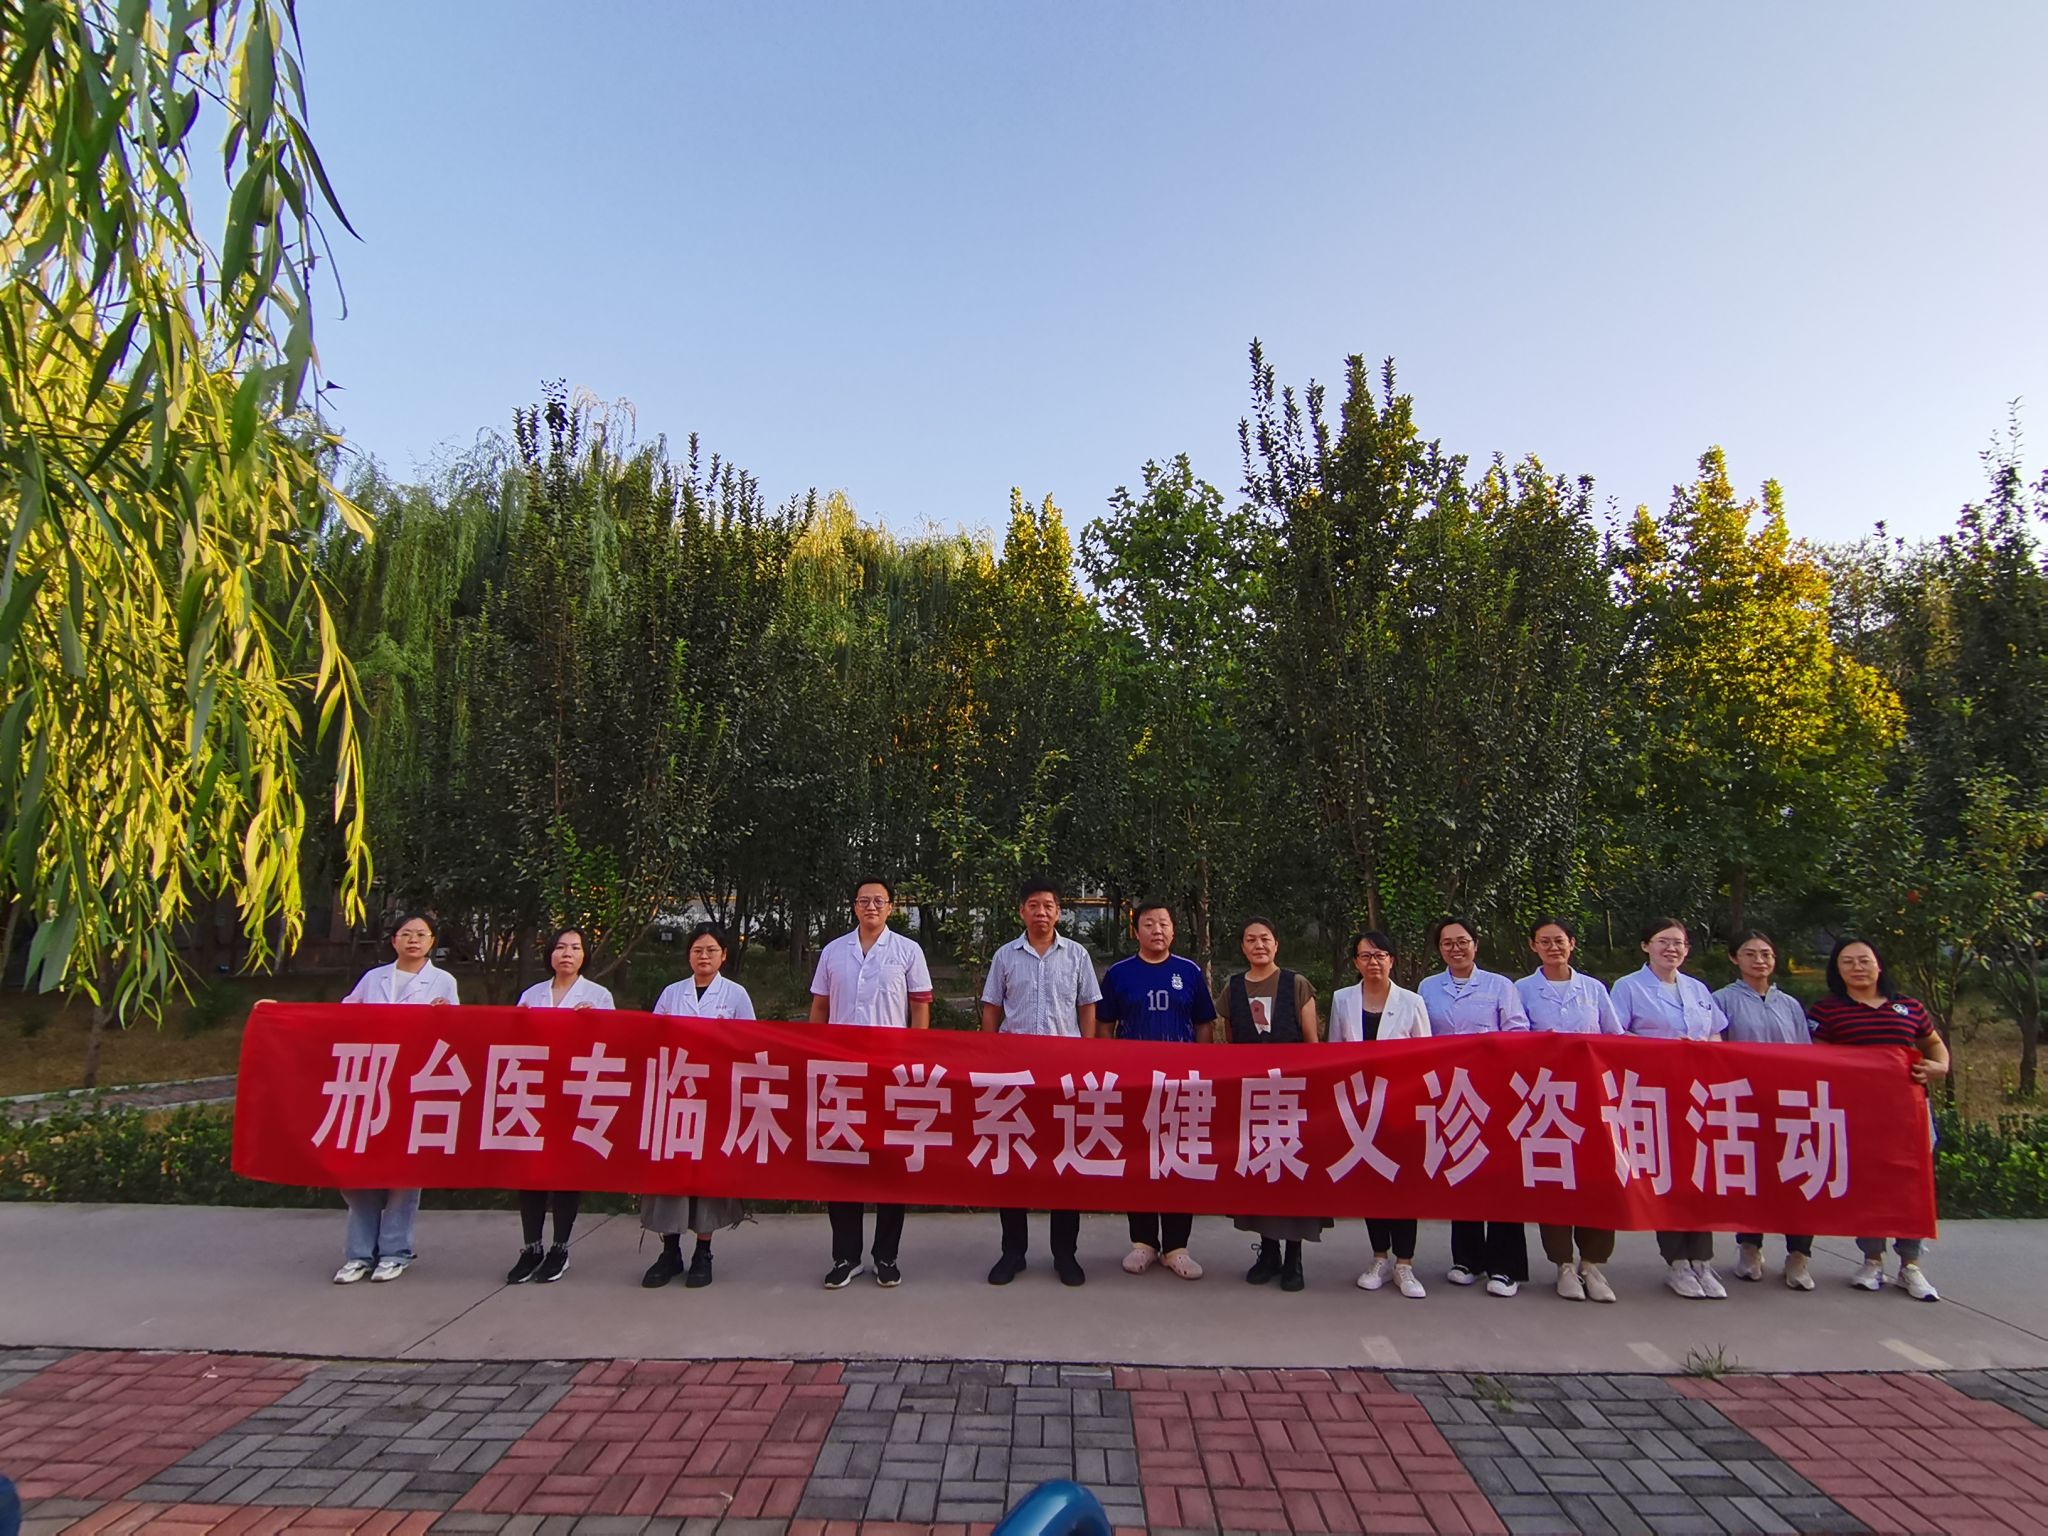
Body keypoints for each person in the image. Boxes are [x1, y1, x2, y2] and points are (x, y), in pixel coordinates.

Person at [1807, 936, 1949, 1302]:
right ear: (1837, 970)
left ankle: (1911, 1264)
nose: (1857, 967)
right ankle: (1871, 1260)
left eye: (1864, 960)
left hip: (1909, 1113)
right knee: (1868, 1183)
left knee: (1911, 1184)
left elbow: (1933, 1044)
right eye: (1848, 962)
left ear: (1878, 964)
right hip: (1858, 1113)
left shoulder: (1909, 1006)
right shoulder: (1826, 1010)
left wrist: (1939, 1066)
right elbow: (1818, 1060)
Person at [810, 877, 933, 1289]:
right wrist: (815, 1053)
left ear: (891, 907)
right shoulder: (833, 951)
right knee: (842, 1162)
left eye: (879, 900)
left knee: (889, 1163)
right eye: (864, 900)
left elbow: (920, 1007)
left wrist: (914, 1058)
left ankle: (886, 1255)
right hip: (841, 1072)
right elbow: (820, 1007)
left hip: (890, 1072)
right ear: (854, 906)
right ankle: (846, 1256)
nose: (871, 907)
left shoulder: (907, 951)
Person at [983, 878, 1103, 1287]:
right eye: (1033, 905)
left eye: (1048, 905)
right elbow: (991, 1007)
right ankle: (1012, 1252)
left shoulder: (1077, 955)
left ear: (1059, 912)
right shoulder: (1005, 955)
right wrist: (989, 1057)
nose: (1041, 912)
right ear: (1022, 912)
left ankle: (1064, 1254)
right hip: (1014, 1076)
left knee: (1063, 1162)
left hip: (1063, 1076)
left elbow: (1087, 1006)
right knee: (1012, 1162)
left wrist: (1087, 1055)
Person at [1610, 917, 1731, 1300]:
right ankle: (1677, 1261)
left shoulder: (1697, 989)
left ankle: (1702, 1260)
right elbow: (1616, 1036)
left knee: (1700, 1175)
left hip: (1700, 1094)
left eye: (1678, 943)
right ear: (1646, 946)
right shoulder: (1628, 987)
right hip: (1654, 1094)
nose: (1671, 949)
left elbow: (1716, 1032)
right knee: (1668, 1176)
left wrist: (1707, 1049)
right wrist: (1664, 1050)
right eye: (1663, 941)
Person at [334, 912, 457, 1283]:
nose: (413, 940)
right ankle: (359, 1254)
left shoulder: (443, 981)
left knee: (403, 1173)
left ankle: (394, 1252)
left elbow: (457, 1032)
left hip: (414, 1084)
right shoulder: (374, 978)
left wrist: (444, 1016)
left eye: (421, 934)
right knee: (358, 1171)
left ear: (432, 941)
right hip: (371, 1081)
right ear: (394, 940)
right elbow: (341, 1017)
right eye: (406, 933)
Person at [1096, 900, 1216, 1281]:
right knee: (1139, 1161)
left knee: (1178, 1161)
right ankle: (1143, 1242)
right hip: (1134, 1084)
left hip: (1181, 1085)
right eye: (1149, 924)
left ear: (1173, 930)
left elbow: (1204, 1023)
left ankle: (1177, 1247)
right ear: (1136, 932)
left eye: (1164, 923)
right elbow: (1104, 1026)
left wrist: (1200, 1068)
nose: (1157, 930)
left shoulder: (1189, 972)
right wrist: (1112, 1071)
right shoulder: (1119, 974)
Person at [1416, 917, 1530, 1297]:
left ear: (1475, 945)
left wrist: (1485, 1048)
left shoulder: (1500, 985)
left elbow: (1518, 1031)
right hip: (1450, 1092)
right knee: (1462, 1170)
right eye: (1447, 943)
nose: (1456, 949)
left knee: (1500, 1175)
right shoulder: (1428, 987)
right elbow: (1423, 1037)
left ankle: (1505, 1267)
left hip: (1495, 1091)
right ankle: (1467, 1259)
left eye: (1462, 941)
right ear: (1439, 949)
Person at [639, 921, 756, 1289]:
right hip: (675, 1095)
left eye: (711, 950)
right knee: (670, 1173)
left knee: (707, 1173)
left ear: (724, 955)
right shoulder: (672, 993)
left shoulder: (735, 995)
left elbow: (751, 1044)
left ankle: (703, 1252)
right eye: (697, 950)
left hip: (715, 1098)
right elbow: (652, 1039)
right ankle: (669, 1250)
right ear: (689, 956)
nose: (704, 956)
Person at [1515, 916, 1623, 1303]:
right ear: (1533, 946)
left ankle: (1592, 1264)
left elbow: (1615, 1039)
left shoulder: (1593, 989)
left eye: (1559, 940)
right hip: (1546, 1097)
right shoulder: (1521, 989)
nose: (1553, 947)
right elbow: (1515, 1039)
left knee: (1598, 1177)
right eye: (1544, 941)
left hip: (1594, 1096)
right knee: (1554, 1178)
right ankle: (1562, 1263)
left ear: (1572, 944)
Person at [1215, 917, 1325, 1292]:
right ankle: (1268, 1252)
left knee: (1291, 1175)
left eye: (1265, 938)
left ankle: (1294, 1258)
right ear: (1242, 946)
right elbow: (1232, 1043)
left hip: (1292, 1095)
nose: (1258, 945)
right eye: (1250, 939)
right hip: (1253, 1098)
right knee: (1260, 1173)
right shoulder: (1232, 988)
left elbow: (1311, 1042)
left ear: (1276, 944)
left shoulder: (1296, 984)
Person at [506, 926, 614, 1284]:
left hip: (575, 1094)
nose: (567, 953)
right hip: (533, 1093)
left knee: (566, 1171)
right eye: (560, 947)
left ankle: (560, 1247)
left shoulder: (598, 996)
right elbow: (512, 1041)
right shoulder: (532, 995)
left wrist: (593, 1024)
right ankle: (531, 1247)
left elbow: (613, 1043)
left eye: (575, 947)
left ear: (585, 956)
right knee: (531, 1171)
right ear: (549, 954)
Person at [1712, 928, 1818, 1291]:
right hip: (1744, 1102)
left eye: (1766, 954)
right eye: (1750, 953)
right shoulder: (1721, 1000)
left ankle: (1798, 1255)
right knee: (1750, 1177)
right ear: (1734, 958)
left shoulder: (1789, 1004)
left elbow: (1805, 1053)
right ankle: (1749, 1247)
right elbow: (1716, 1051)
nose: (1759, 960)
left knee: (1797, 1176)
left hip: (1790, 1103)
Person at [1328, 929, 1430, 1300]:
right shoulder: (1342, 999)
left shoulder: (1411, 1001)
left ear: (1392, 960)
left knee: (1402, 1183)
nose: (1373, 962)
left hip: (1400, 1105)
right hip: (1360, 1106)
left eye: (1380, 955)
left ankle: (1405, 1263)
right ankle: (1379, 1258)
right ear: (1356, 962)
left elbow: (1426, 1056)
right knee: (1372, 1182)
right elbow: (1334, 1051)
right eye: (1365, 956)